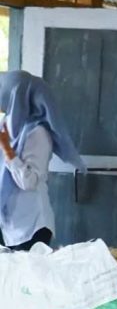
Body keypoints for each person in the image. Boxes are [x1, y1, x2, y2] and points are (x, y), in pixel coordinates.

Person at [0, 71, 84, 251]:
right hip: (11, 226)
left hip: (32, 226)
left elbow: (29, 181)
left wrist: (7, 150)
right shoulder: (8, 127)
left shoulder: (37, 133)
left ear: (16, 96)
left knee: (29, 279)